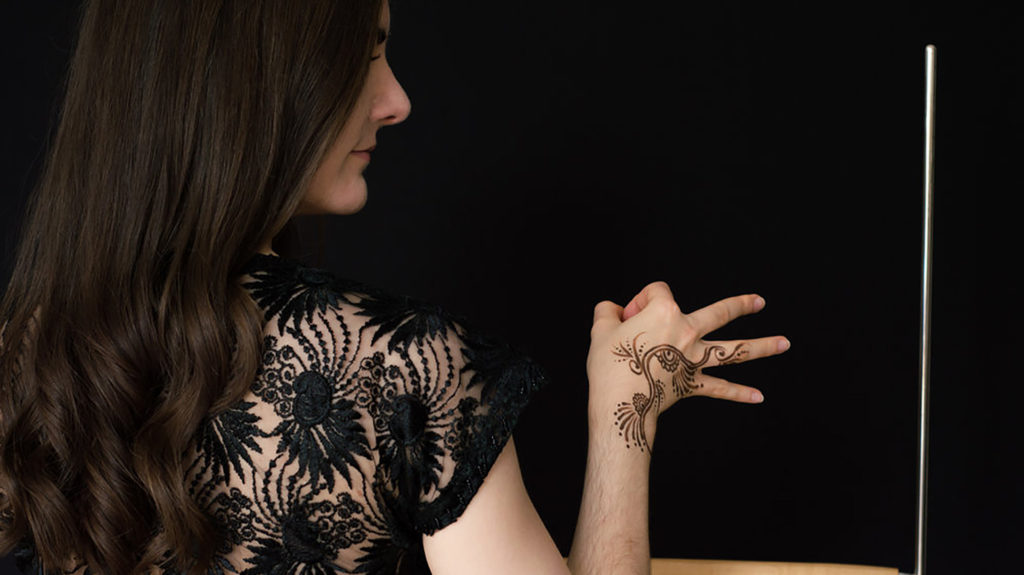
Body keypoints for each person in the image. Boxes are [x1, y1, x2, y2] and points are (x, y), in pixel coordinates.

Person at [0, 1, 789, 574]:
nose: (397, 100)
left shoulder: (22, 356)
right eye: (365, 52)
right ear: (256, 82)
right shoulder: (405, 370)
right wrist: (628, 412)